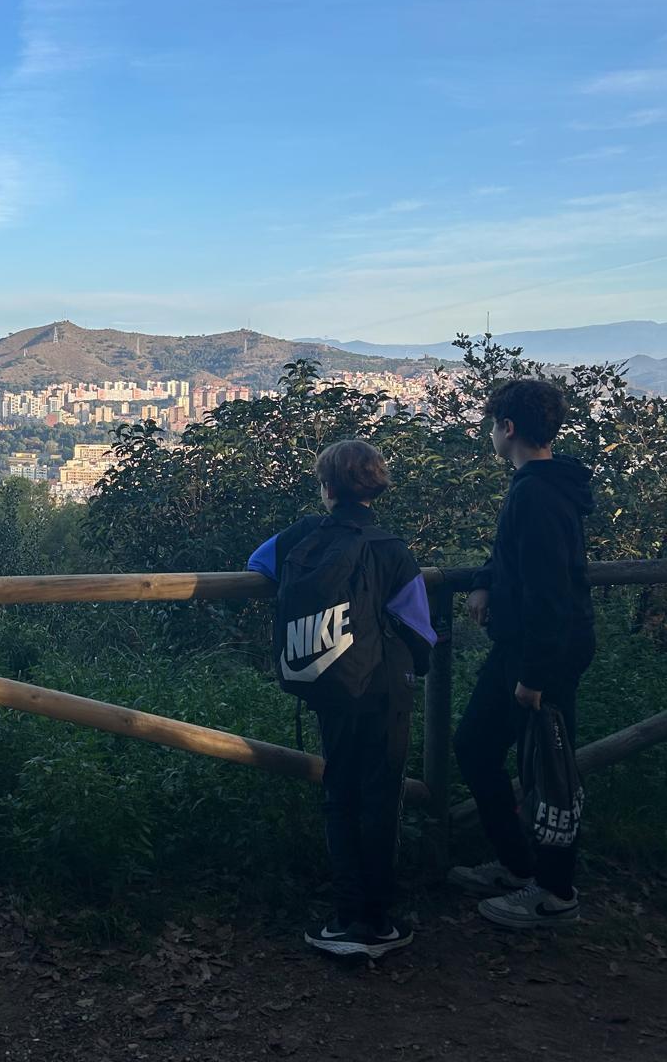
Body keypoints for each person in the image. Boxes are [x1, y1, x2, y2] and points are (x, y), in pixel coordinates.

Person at [248, 439, 436, 958]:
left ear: (327, 488)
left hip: (331, 682)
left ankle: (345, 917)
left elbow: (257, 563)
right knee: (381, 798)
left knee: (341, 794)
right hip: (383, 688)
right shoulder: (392, 548)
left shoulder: (302, 536)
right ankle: (377, 922)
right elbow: (420, 629)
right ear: (376, 487)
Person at [450, 378, 595, 928]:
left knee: (549, 768)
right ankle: (518, 866)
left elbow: (548, 591)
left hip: (542, 652)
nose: (490, 434)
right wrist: (485, 580)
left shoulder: (535, 493)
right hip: (530, 645)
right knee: (481, 748)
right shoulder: (544, 484)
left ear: (507, 428)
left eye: (492, 425)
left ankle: (554, 893)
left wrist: (534, 675)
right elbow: (515, 555)